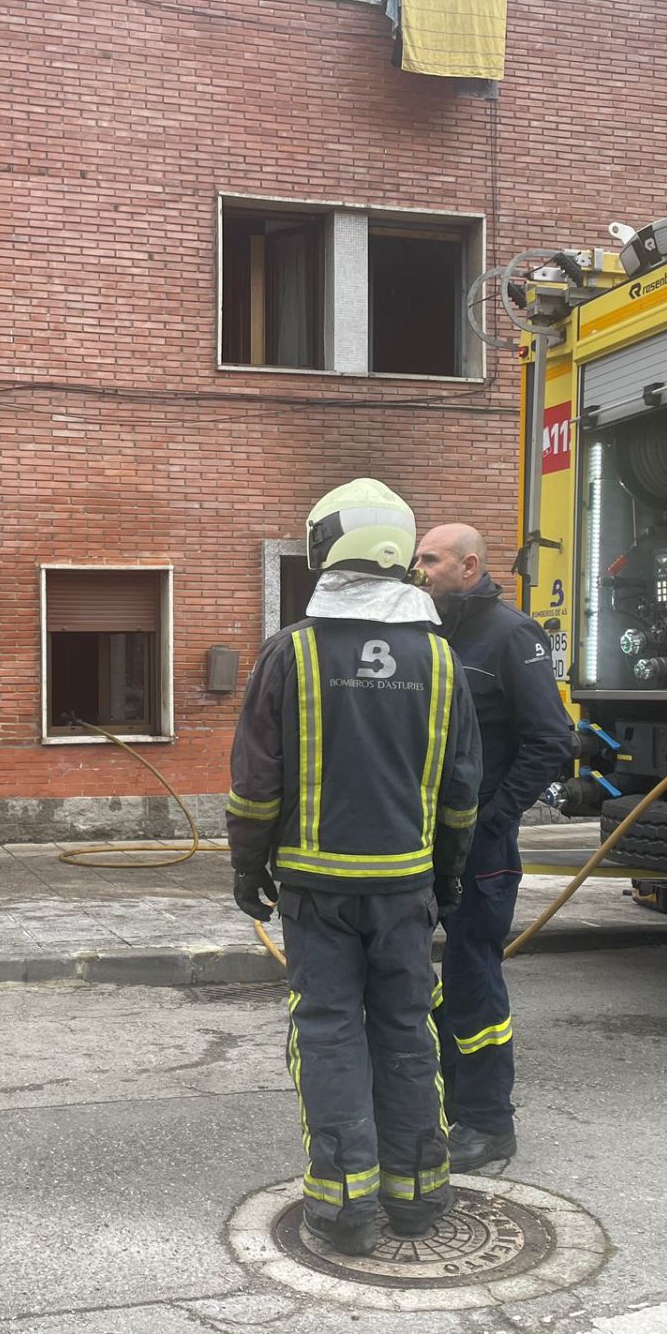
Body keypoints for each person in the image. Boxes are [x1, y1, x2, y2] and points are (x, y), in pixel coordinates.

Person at [228, 478, 482, 1257]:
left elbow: (255, 780)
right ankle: (418, 1195)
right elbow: (460, 788)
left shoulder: (292, 652)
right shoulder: (440, 660)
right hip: (405, 887)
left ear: (323, 547)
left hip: (316, 889)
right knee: (406, 1029)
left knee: (330, 1032)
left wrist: (247, 871)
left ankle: (341, 1208)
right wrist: (446, 878)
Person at [413, 524, 573, 1171]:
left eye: (431, 558)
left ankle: (488, 1124)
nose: (419, 568)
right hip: (428, 842)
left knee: (473, 976)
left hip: (481, 849)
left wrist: (490, 819)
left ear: (468, 565)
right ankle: (447, 1106)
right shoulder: (432, 633)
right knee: (426, 982)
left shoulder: (512, 636)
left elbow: (552, 742)